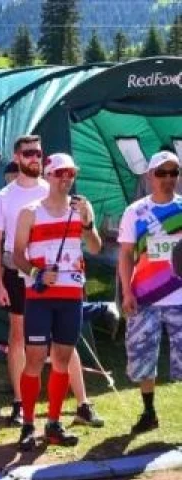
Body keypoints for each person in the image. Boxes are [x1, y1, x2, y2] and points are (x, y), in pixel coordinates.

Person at [0, 135, 102, 427]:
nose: (34, 158)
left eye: (38, 153)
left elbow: (94, 244)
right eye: (28, 153)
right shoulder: (5, 197)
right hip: (23, 276)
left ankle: (80, 405)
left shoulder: (64, 194)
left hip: (66, 285)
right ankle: (21, 406)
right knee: (21, 341)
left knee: (65, 347)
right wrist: (0, 283)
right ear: (17, 156)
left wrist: (87, 223)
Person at [12, 153, 101, 449]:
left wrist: (87, 222)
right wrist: (36, 273)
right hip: (40, 297)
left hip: (71, 296)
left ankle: (53, 423)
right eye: (60, 173)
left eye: (71, 173)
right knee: (35, 359)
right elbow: (16, 255)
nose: (66, 178)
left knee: (62, 359)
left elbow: (95, 247)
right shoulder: (30, 212)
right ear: (48, 175)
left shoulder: (81, 208)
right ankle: (27, 424)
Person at [118, 150, 182, 434]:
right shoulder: (135, 212)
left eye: (173, 172)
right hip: (145, 297)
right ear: (149, 176)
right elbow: (125, 254)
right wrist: (126, 292)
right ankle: (149, 412)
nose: (168, 178)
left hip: (180, 297)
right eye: (162, 173)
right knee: (143, 358)